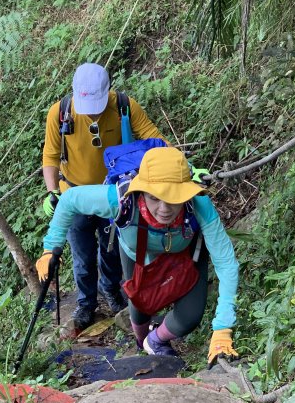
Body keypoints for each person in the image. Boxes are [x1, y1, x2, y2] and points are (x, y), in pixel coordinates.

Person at [37, 147, 239, 362]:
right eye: (154, 198)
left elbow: (226, 262)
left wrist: (223, 329)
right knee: (140, 306)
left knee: (188, 317)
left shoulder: (198, 205)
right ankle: (141, 342)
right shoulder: (121, 200)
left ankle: (155, 341)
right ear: (141, 191)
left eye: (173, 198)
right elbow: (70, 200)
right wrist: (50, 248)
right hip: (137, 252)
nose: (164, 209)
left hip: (185, 252)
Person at [40, 62, 166, 329]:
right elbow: (50, 157)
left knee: (112, 250)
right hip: (72, 196)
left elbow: (155, 140)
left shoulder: (123, 106)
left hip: (113, 195)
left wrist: (174, 164)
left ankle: (112, 292)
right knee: (82, 255)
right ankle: (86, 303)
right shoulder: (60, 113)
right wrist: (52, 191)